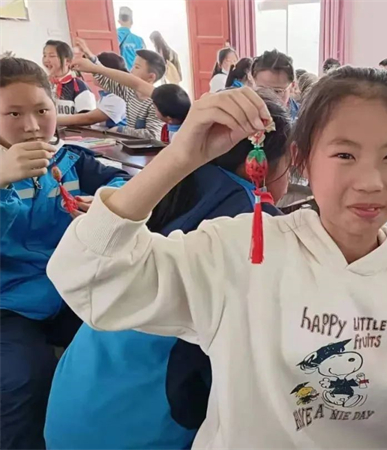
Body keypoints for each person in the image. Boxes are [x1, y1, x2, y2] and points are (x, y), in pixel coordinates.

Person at [47, 68, 387, 448]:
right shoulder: (241, 249)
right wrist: (179, 156)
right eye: (345, 154)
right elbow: (89, 279)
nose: (372, 181)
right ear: (304, 161)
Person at [44, 89, 291, 450]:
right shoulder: (256, 224)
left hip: (73, 399)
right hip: (143, 424)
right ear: (261, 164)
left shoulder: (164, 181)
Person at [0, 57, 130, 449]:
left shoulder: (69, 160)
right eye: (13, 113)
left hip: (68, 289)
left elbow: (124, 181)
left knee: (119, 348)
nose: (31, 125)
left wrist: (104, 200)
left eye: (42, 111)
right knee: (24, 376)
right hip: (8, 305)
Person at [74, 37, 165, 139]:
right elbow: (103, 78)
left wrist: (120, 130)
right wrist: (89, 55)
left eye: (137, 67)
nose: (131, 71)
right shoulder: (130, 93)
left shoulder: (156, 103)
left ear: (151, 77)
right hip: (131, 146)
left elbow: (153, 135)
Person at [57, 52, 127, 130]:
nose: (92, 74)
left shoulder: (117, 98)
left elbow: (89, 118)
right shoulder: (106, 95)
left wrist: (54, 120)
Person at [42, 40, 96, 115]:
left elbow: (88, 117)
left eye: (52, 56)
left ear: (67, 61)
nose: (46, 60)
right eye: (44, 55)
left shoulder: (79, 86)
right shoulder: (42, 84)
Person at [252, 49, 299, 120]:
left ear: (292, 86)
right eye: (262, 90)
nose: (269, 98)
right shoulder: (242, 115)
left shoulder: (303, 119)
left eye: (277, 91)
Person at [117, 6, 146, 70]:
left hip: (116, 74)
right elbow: (145, 60)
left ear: (119, 21)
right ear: (132, 22)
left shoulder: (112, 37)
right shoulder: (139, 40)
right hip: (133, 74)